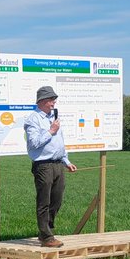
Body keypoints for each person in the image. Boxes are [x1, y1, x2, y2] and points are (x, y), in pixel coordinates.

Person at [23, 85, 77, 247]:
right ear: (42, 101)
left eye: (54, 100)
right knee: (44, 201)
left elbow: (60, 144)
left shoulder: (53, 118)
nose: (54, 102)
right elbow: (34, 143)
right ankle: (46, 236)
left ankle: (46, 230)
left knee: (57, 200)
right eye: (51, 100)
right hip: (43, 165)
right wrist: (51, 131)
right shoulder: (33, 119)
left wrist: (67, 162)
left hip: (58, 164)